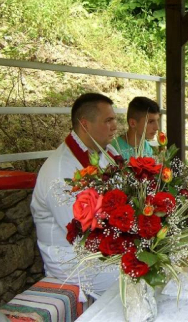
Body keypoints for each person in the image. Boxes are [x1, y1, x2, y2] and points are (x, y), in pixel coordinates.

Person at [31, 92, 118, 296]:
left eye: (115, 119)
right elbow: (80, 233)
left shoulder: (105, 152)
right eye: (108, 120)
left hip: (100, 246)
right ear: (85, 124)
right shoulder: (60, 170)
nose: (115, 126)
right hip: (71, 259)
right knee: (134, 272)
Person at [112, 96, 160, 161]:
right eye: (150, 122)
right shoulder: (114, 149)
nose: (157, 127)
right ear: (132, 123)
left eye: (158, 121)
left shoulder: (147, 148)